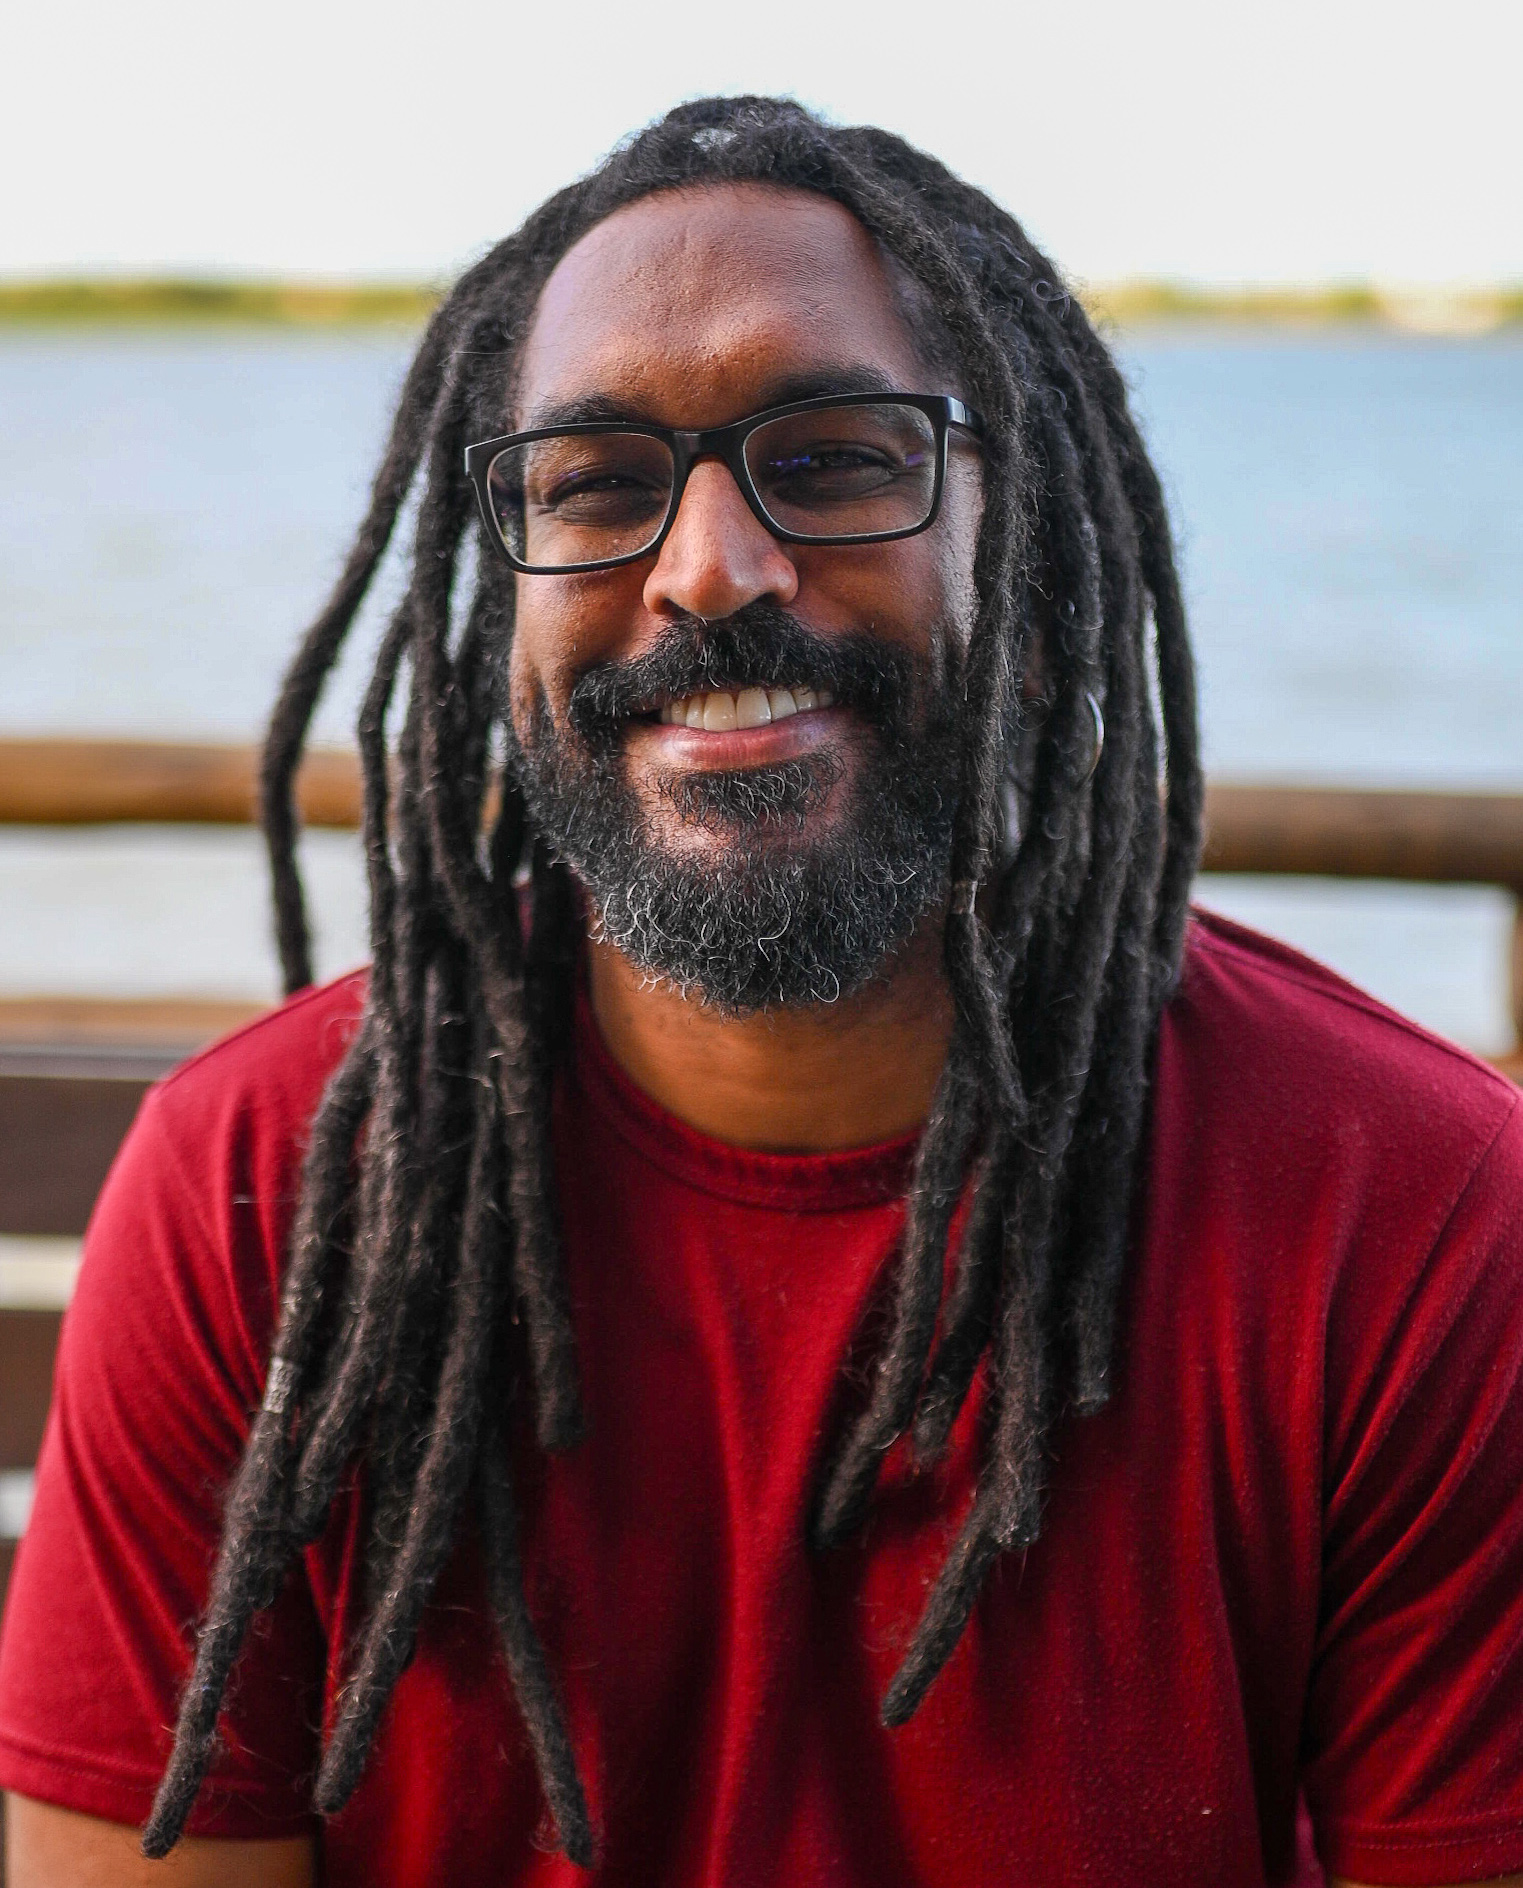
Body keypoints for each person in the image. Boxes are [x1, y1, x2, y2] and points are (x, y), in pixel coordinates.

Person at [2, 95, 1521, 1888]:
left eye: (836, 458)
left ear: (1031, 583)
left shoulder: (1415, 1213)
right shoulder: (255, 1192)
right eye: (594, 484)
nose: (709, 566)